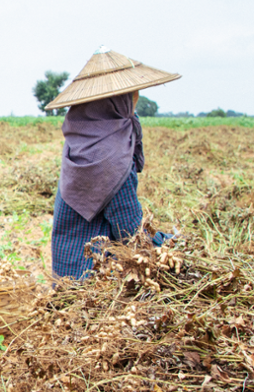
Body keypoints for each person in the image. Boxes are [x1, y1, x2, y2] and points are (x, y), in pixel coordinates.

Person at [45, 46, 180, 279]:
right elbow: (129, 233)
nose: (136, 99)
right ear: (121, 101)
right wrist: (169, 242)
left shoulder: (83, 141)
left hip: (66, 270)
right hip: (92, 280)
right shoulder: (111, 156)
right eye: (133, 94)